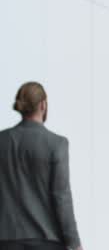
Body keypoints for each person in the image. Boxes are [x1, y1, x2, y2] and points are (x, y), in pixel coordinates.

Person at [0, 82, 82, 250]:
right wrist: (74, 243)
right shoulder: (56, 144)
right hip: (45, 240)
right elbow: (61, 197)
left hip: (6, 239)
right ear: (43, 105)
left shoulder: (2, 141)